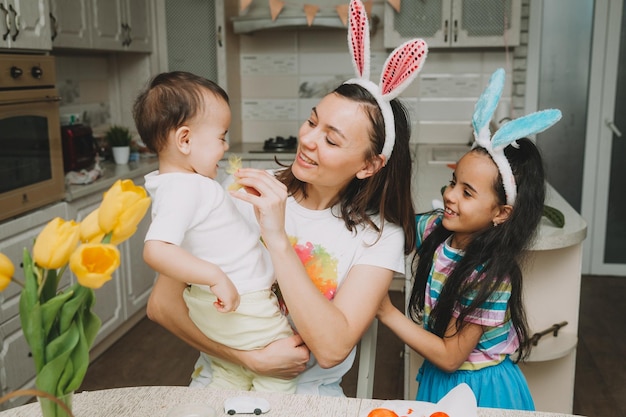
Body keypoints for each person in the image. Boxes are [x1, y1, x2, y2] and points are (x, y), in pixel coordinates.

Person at [146, 0, 428, 396]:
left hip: (308, 395)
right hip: (221, 379)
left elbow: (331, 350)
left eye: (331, 139)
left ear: (369, 165)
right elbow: (162, 305)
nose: (308, 140)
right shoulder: (242, 191)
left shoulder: (380, 237)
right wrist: (247, 359)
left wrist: (277, 238)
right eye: (312, 120)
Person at [376, 68, 562, 410]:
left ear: (501, 213)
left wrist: (386, 311)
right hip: (440, 379)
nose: (450, 195)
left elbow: (450, 357)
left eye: (467, 192)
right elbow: (392, 222)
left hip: (481, 389)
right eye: (453, 182)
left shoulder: (490, 276)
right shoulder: (437, 230)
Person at [134, 71, 297, 392]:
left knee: (228, 376)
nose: (225, 147)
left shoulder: (178, 185)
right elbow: (155, 248)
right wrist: (215, 276)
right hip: (245, 306)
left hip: (212, 309)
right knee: (277, 382)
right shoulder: (187, 188)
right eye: (221, 137)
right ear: (185, 140)